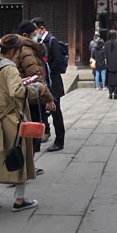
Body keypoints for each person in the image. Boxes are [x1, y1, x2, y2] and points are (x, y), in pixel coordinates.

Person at [0, 34, 45, 213]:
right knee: (18, 155)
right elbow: (16, 92)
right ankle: (19, 199)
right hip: (11, 117)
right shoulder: (10, 69)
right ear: (15, 51)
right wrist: (35, 88)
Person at [14, 21, 55, 158]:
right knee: (32, 133)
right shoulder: (26, 50)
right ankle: (27, 165)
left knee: (26, 133)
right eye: (33, 34)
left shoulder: (18, 47)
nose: (36, 36)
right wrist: (48, 97)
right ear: (25, 35)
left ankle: (25, 165)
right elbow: (35, 75)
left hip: (25, 96)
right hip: (31, 97)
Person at [32, 17, 66, 152]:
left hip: (53, 83)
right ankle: (43, 134)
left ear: (41, 28)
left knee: (56, 112)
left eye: (35, 31)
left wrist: (46, 74)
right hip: (44, 82)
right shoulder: (40, 42)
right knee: (42, 111)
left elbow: (57, 62)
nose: (34, 34)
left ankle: (60, 140)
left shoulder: (52, 41)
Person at [104, 29, 117, 100]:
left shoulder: (106, 43)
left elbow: (105, 55)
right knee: (116, 80)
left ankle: (110, 93)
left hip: (109, 64)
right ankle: (115, 93)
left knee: (110, 81)